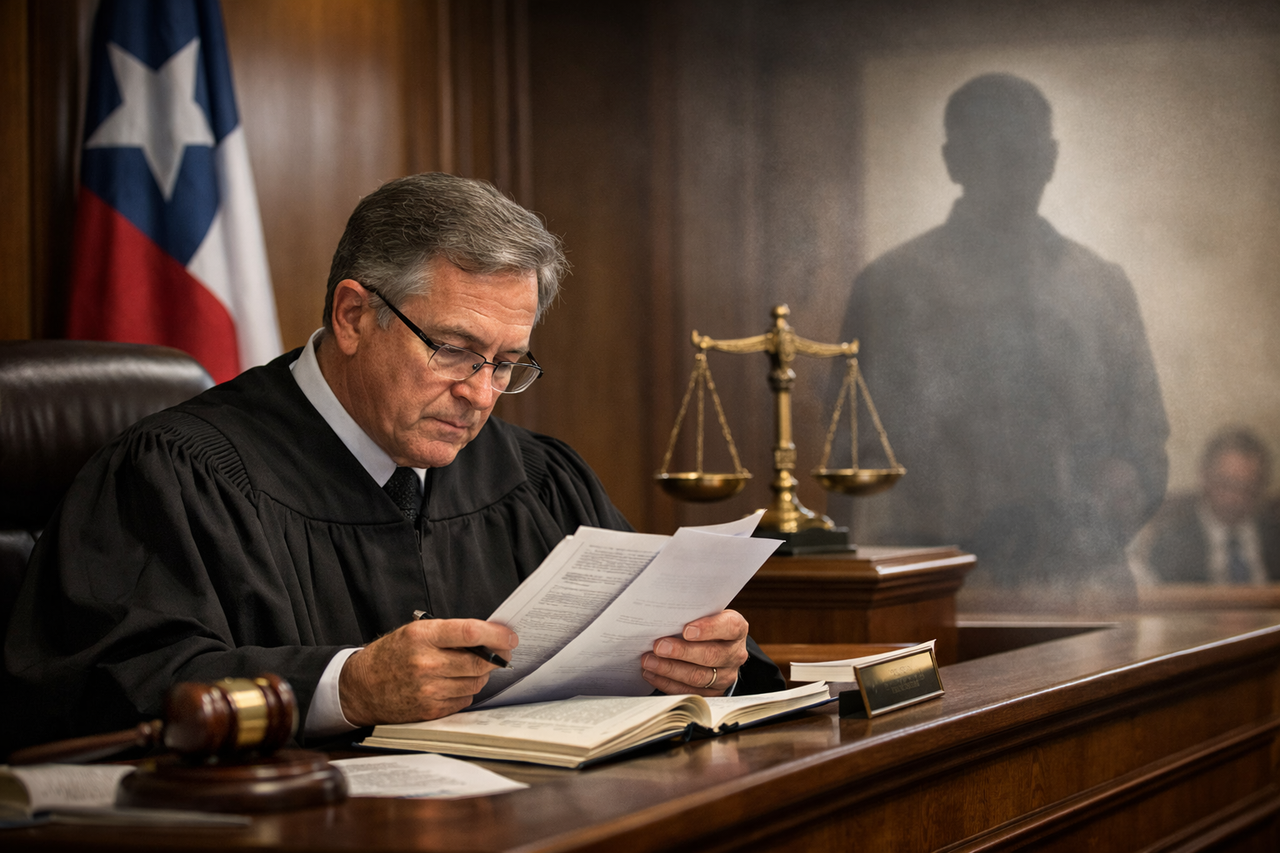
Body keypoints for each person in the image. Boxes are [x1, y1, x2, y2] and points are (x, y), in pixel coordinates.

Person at [2, 173, 783, 755]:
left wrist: (709, 661)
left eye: (508, 361)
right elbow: (99, 694)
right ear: (353, 316)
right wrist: (346, 686)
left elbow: (653, 639)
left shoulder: (535, 478)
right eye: (453, 348)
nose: (481, 393)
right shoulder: (175, 476)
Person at [833, 73, 1169, 601]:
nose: (1008, 171)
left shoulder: (1102, 287)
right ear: (953, 160)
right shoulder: (889, 291)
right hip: (938, 589)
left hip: (1084, 588)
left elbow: (1147, 442)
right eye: (988, 151)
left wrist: (1115, 494)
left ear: (1050, 157)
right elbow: (850, 460)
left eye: (1022, 151)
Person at [1135, 426, 1280, 584]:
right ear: (1204, 477)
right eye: (1225, 484)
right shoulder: (1171, 544)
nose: (1235, 498)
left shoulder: (1275, 537)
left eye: (1248, 488)